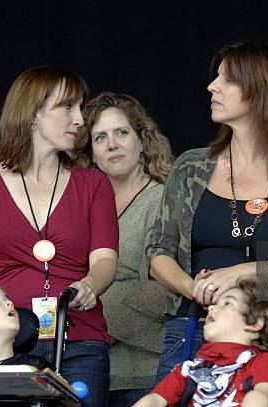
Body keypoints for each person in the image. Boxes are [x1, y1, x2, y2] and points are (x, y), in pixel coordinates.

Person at [147, 40, 268, 383]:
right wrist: (195, 289)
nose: (211, 86)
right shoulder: (191, 167)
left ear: (262, 91)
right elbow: (158, 253)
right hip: (191, 327)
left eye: (227, 79)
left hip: (264, 334)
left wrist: (239, 273)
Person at [0, 67, 119, 406]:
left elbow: (105, 260)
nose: (80, 120)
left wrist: (90, 285)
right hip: (6, 345)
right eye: (67, 107)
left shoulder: (93, 183)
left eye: (81, 109)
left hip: (80, 342)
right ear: (32, 114)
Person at [82, 92, 174, 405]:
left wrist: (98, 329)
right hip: (84, 365)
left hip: (141, 371)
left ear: (141, 140)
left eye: (122, 132)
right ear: (91, 153)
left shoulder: (163, 199)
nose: (112, 144)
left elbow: (165, 286)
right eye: (100, 137)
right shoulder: (82, 207)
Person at [134, 278, 268, 406]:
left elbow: (264, 395)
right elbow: (156, 399)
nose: (210, 308)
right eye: (214, 304)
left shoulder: (260, 362)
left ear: (254, 323)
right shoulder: (190, 369)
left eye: (227, 303)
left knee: (255, 397)